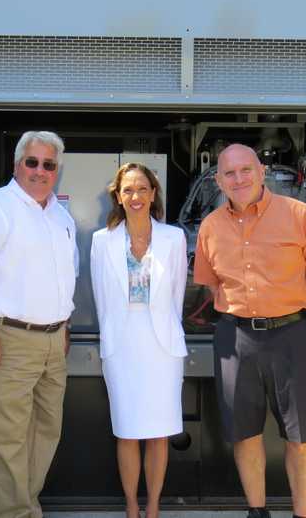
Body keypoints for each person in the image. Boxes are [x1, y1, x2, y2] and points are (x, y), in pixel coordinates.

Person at [194, 143, 306, 518]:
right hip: (235, 338)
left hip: (292, 335)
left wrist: (290, 302)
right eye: (229, 173)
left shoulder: (300, 214)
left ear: (261, 172)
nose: (238, 179)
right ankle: (256, 512)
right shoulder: (210, 227)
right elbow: (212, 285)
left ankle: (301, 515)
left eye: (245, 170)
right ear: (218, 180)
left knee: (302, 436)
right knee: (244, 433)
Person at [0, 130, 77, 518]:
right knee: (3, 442)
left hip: (52, 343)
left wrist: (64, 329)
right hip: (4, 338)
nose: (40, 171)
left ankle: (24, 507)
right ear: (16, 165)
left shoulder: (60, 215)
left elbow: (63, 278)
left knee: (44, 434)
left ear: (57, 171)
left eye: (49, 165)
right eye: (32, 162)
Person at [90, 162, 188, 518]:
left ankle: (153, 505)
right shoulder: (102, 241)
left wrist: (164, 330)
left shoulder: (174, 238)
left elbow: (176, 297)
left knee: (158, 433)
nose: (135, 196)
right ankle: (132, 505)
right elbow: (101, 298)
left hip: (162, 346)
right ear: (118, 196)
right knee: (128, 431)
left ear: (153, 194)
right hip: (122, 346)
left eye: (142, 188)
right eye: (128, 189)